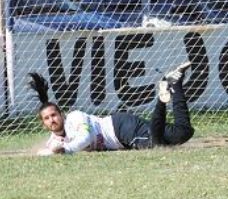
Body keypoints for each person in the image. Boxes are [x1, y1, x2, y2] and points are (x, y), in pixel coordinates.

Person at [31, 62, 194, 155]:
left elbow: (86, 137)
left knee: (158, 144)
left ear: (62, 114)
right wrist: (51, 151)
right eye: (47, 118)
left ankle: (162, 97)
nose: (52, 120)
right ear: (43, 124)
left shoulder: (75, 117)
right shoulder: (54, 141)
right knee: (183, 131)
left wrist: (65, 150)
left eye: (54, 115)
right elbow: (44, 153)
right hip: (124, 129)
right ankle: (175, 83)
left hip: (121, 129)